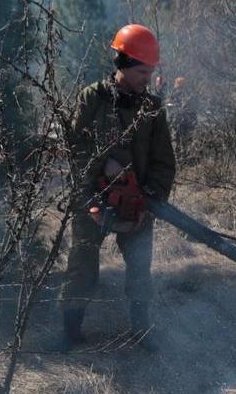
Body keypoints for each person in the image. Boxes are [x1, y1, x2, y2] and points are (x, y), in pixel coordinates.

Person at [60, 24, 176, 347]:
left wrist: (149, 199)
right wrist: (101, 169)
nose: (147, 79)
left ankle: (141, 331)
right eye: (142, 72)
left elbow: (164, 163)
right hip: (92, 196)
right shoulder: (92, 99)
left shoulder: (152, 109)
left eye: (150, 72)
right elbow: (75, 149)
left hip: (137, 202)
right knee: (82, 265)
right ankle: (70, 334)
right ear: (123, 64)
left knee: (139, 268)